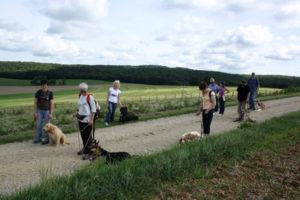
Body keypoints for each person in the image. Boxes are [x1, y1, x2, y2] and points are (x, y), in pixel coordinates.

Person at [76, 83, 96, 160]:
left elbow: (93, 110)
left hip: (88, 119)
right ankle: (85, 149)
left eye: (83, 90)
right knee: (83, 135)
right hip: (80, 119)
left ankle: (89, 153)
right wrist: (77, 113)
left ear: (86, 90)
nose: (82, 92)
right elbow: (80, 106)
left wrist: (91, 120)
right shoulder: (80, 96)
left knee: (88, 137)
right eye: (81, 90)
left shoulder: (90, 97)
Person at [33, 80, 54, 145]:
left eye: (45, 85)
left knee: (47, 126)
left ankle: (46, 139)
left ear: (47, 86)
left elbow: (52, 103)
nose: (44, 86)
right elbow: (35, 103)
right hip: (39, 111)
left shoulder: (50, 93)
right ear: (41, 86)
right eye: (42, 85)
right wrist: (35, 112)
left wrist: (51, 113)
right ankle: (37, 139)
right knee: (38, 124)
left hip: (47, 111)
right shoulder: (38, 92)